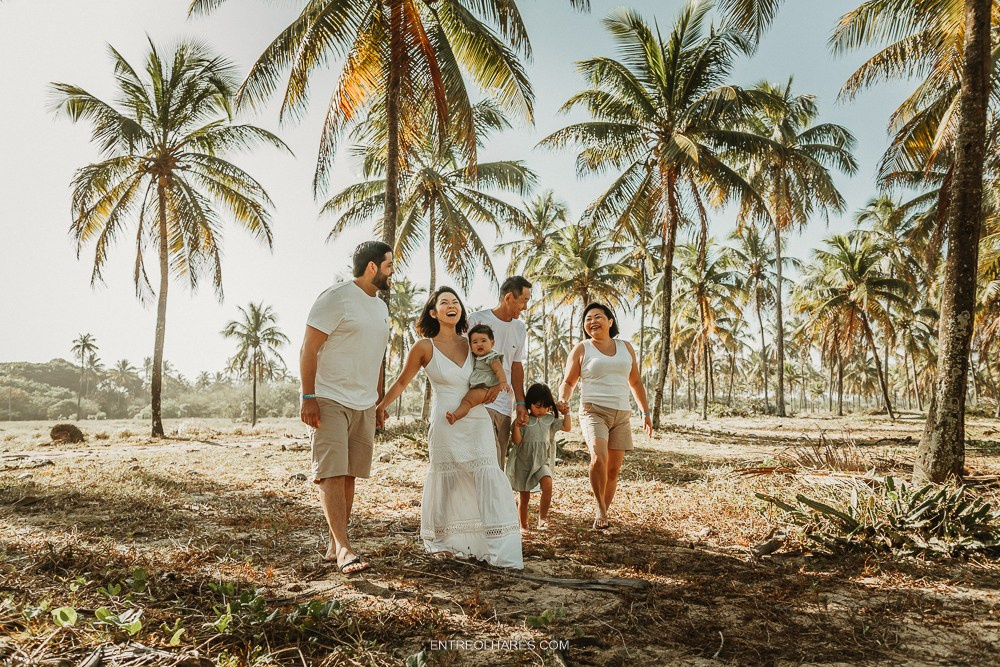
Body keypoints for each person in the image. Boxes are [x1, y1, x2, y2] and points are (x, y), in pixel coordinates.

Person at [376, 287, 523, 568]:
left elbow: (494, 370)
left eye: (456, 301)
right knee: (446, 481)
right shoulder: (424, 347)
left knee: (486, 476)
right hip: (445, 422)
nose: (452, 305)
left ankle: (495, 545)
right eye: (445, 302)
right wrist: (381, 406)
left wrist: (494, 390)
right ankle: (442, 542)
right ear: (434, 312)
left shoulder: (473, 343)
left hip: (477, 420)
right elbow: (402, 382)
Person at [299, 241, 393, 575]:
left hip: (364, 402)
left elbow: (377, 355)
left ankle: (334, 542)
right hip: (330, 397)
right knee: (331, 471)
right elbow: (310, 347)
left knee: (350, 473)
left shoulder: (380, 307)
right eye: (388, 265)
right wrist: (308, 396)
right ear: (371, 267)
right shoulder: (336, 298)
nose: (391, 271)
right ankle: (343, 548)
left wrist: (379, 400)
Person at [558, 303, 652, 530]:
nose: (592, 321)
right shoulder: (582, 348)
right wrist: (563, 399)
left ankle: (605, 512)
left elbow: (636, 382)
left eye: (598, 316)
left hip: (621, 414)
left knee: (613, 469)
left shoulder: (626, 347)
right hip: (593, 411)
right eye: (588, 319)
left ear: (610, 321)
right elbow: (569, 382)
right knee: (599, 458)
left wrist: (645, 411)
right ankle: (600, 508)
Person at [467, 276, 531, 468]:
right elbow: (466, 360)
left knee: (498, 463)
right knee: (482, 461)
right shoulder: (477, 319)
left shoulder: (519, 328)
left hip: (504, 406)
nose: (526, 307)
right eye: (524, 300)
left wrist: (520, 402)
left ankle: (493, 499)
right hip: (480, 403)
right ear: (509, 297)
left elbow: (517, 367)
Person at [505, 383, 571, 532]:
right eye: (537, 406)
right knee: (524, 497)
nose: (542, 410)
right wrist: (516, 425)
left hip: (542, 461)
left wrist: (567, 413)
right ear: (529, 403)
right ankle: (524, 527)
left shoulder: (549, 420)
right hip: (524, 463)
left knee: (548, 483)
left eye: (545, 406)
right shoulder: (525, 420)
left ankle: (543, 519)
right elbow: (517, 441)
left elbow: (567, 427)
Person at [446, 324, 509, 425]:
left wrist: (503, 382)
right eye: (475, 342)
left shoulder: (491, 357)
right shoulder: (476, 357)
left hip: (484, 388)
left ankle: (455, 416)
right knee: (467, 402)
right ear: (470, 346)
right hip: (481, 387)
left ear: (492, 343)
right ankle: (455, 416)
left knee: (467, 401)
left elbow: (499, 370)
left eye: (483, 341)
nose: (479, 344)